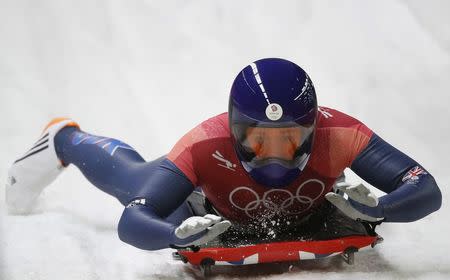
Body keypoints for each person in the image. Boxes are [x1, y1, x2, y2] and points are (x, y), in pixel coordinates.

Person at [6, 58, 442, 251]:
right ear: (233, 128)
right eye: (257, 139)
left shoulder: (342, 132)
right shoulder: (203, 143)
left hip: (275, 204)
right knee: (134, 179)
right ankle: (65, 138)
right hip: (204, 205)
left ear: (314, 126)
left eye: (289, 138)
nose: (274, 154)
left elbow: (425, 188)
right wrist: (174, 235)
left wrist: (381, 208)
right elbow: (133, 220)